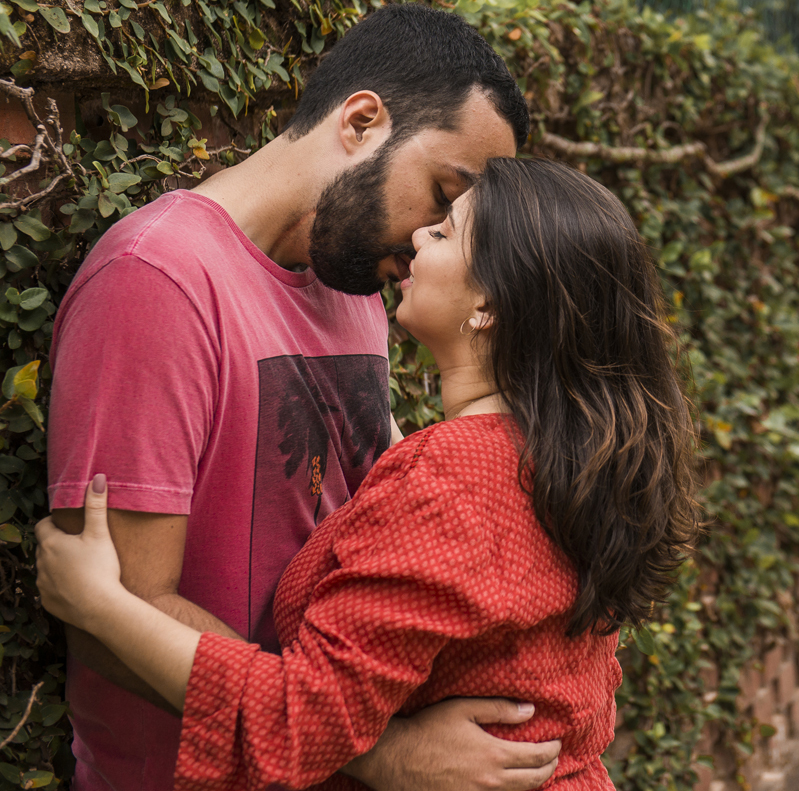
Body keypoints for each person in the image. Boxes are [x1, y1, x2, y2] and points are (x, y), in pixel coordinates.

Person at [37, 157, 703, 791]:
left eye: (444, 231)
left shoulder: (452, 478)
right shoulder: (559, 460)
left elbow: (301, 717)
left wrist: (101, 605)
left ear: (490, 306)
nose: (418, 233)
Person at [45, 3, 564, 791]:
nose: (432, 236)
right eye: (441, 193)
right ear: (361, 121)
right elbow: (115, 610)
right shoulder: (158, 282)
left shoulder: (353, 279)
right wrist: (385, 752)